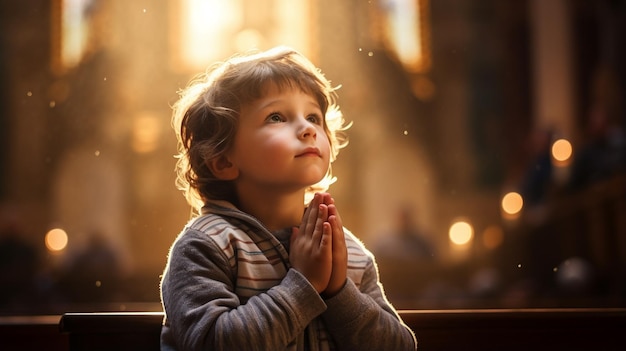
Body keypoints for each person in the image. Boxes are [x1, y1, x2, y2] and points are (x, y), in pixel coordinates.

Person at [159, 46, 417, 351]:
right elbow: (211, 343)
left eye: (313, 117)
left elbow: (400, 347)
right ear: (224, 160)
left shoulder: (345, 250)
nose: (307, 129)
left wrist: (338, 290)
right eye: (277, 116)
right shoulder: (207, 245)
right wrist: (304, 285)